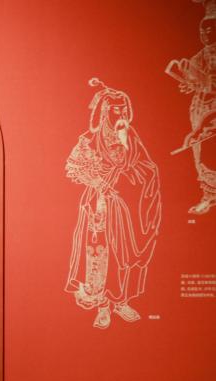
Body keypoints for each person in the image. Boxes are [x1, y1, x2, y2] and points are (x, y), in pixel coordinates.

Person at [65, 78, 162, 329]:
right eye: (115, 110)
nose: (120, 115)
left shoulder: (131, 137)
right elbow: (73, 168)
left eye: (123, 110)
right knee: (103, 255)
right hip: (100, 207)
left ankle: (121, 301)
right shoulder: (91, 138)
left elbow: (148, 168)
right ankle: (103, 306)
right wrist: (99, 182)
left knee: (125, 256)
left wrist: (127, 167)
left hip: (128, 205)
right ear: (105, 112)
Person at [166, 0, 216, 214]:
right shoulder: (199, 56)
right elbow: (193, 79)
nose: (206, 32)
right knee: (201, 150)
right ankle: (210, 194)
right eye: (203, 28)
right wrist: (188, 79)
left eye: (211, 27)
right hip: (201, 108)